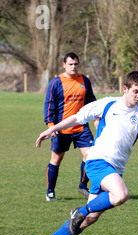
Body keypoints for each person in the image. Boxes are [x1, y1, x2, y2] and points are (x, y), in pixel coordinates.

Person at [36, 71, 138, 235]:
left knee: (90, 219)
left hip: (114, 170)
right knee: (121, 195)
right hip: (97, 161)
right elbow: (78, 117)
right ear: (125, 89)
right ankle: (79, 211)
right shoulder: (108, 104)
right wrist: (52, 129)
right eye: (135, 91)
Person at [43, 52, 96, 201]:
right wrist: (51, 125)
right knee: (56, 159)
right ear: (64, 65)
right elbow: (49, 105)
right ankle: (50, 191)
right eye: (70, 64)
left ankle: (82, 186)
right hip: (61, 129)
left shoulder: (85, 81)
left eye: (76, 64)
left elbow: (92, 102)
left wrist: (98, 117)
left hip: (81, 128)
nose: (73, 67)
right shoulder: (56, 82)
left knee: (90, 155)